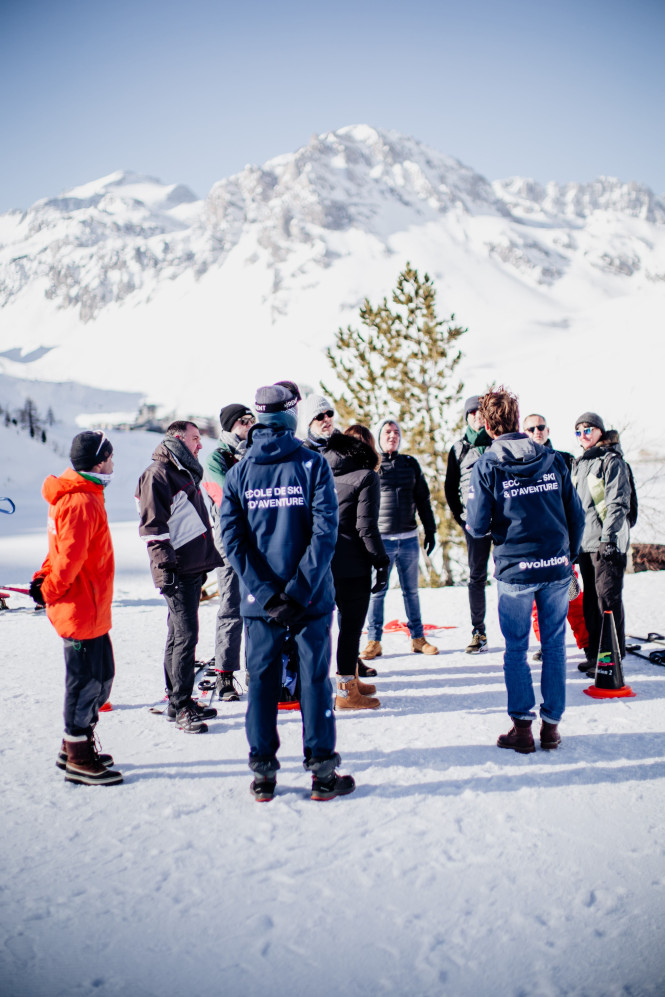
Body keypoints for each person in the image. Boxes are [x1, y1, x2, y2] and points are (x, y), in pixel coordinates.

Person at [221, 384, 355, 802]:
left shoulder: (238, 472)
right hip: (310, 600)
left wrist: (268, 595)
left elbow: (233, 541)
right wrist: (297, 593)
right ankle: (322, 773)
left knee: (261, 683)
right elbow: (325, 532)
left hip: (261, 604)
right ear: (291, 416)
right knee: (315, 682)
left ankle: (263, 775)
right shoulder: (312, 464)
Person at [466, 388, 584, 752]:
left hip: (515, 569)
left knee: (516, 649)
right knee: (553, 646)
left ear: (486, 425)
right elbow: (575, 515)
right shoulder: (552, 459)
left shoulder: (487, 464)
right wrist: (569, 556)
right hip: (555, 564)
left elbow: (475, 524)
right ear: (518, 421)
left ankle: (523, 728)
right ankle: (550, 727)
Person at [30, 431, 123, 785]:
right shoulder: (81, 501)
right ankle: (78, 755)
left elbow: (57, 551)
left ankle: (74, 744)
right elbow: (67, 560)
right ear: (99, 462)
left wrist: (43, 580)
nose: (114, 464)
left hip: (90, 605)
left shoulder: (81, 494)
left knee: (102, 679)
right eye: (110, 458)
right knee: (87, 683)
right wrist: (48, 589)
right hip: (79, 607)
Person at [136, 421, 222, 733]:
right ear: (177, 439)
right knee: (185, 636)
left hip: (190, 567)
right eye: (195, 438)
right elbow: (153, 528)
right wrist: (165, 569)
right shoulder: (158, 474)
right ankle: (182, 704)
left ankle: (177, 702)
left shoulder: (182, 470)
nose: (200, 445)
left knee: (178, 634)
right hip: (177, 569)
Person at [360, 418, 438, 661]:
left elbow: (423, 499)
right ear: (379, 437)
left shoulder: (410, 464)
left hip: (408, 539)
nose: (392, 436)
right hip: (381, 541)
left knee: (411, 592)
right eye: (387, 432)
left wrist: (431, 530)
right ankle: (374, 642)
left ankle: (417, 638)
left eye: (396, 432)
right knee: (377, 592)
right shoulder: (372, 464)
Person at [324, 424, 389, 710]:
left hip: (321, 563)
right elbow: (366, 528)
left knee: (332, 629)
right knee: (350, 629)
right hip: (352, 566)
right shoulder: (366, 477)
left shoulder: (320, 471)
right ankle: (346, 693)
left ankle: (350, 682)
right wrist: (381, 562)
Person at [522, 413, 589, 665]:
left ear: (548, 430)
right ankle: (546, 645)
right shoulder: (520, 463)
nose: (536, 432)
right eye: (531, 429)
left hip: (560, 543)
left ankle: (588, 643)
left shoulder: (564, 460)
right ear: (523, 433)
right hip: (532, 545)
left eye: (540, 427)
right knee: (538, 602)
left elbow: (577, 504)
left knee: (572, 595)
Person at [202, 402, 255, 702]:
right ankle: (225, 674)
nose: (248, 426)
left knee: (259, 609)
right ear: (228, 427)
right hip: (229, 543)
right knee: (232, 607)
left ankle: (257, 670)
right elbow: (228, 500)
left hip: (258, 542)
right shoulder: (216, 460)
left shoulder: (256, 453)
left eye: (251, 420)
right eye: (242, 422)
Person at [571, 412, 632, 673]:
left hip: (607, 543)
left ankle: (612, 656)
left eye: (588, 429)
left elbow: (618, 502)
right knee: (590, 602)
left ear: (599, 431)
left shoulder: (611, 461)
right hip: (585, 545)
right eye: (579, 431)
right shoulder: (579, 463)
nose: (584, 435)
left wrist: (609, 538)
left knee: (607, 599)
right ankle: (597, 654)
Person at [444, 395, 492, 653]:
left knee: (512, 575)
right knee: (477, 576)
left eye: (480, 411)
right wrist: (461, 519)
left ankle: (519, 632)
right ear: (467, 417)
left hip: (504, 521)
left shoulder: (498, 442)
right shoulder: (458, 448)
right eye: (472, 412)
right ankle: (478, 631)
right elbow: (450, 487)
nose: (477, 416)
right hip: (474, 523)